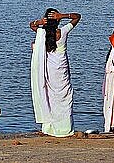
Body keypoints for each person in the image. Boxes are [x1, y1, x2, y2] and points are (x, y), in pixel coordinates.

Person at [30, 8, 81, 137]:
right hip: (61, 70)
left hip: (49, 71)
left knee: (50, 97)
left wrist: (39, 22)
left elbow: (32, 25)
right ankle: (65, 128)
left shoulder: (42, 33)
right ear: (57, 20)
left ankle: (50, 128)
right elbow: (77, 17)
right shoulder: (62, 32)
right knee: (65, 96)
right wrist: (63, 15)